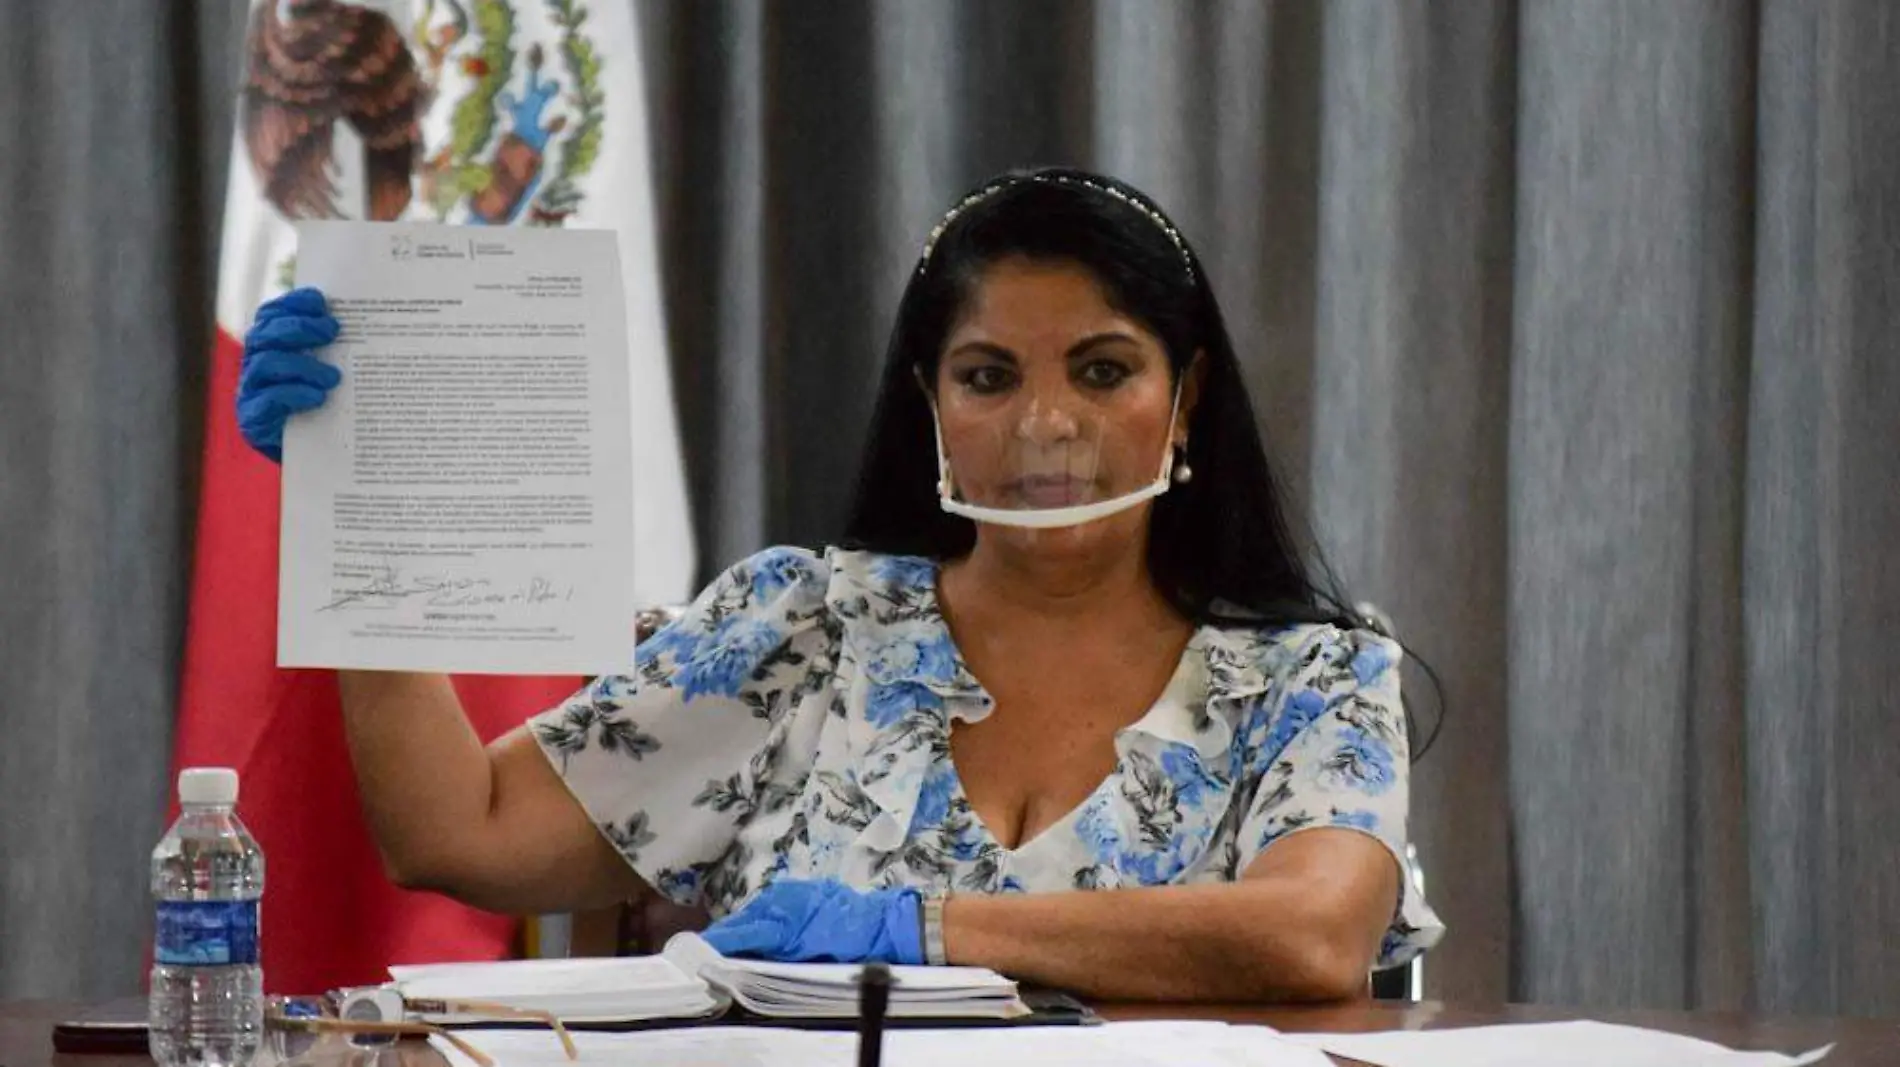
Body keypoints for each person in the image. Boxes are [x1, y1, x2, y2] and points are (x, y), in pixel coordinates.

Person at [236, 167, 1443, 1002]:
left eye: (1101, 369)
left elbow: (1310, 934)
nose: (1045, 423)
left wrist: (919, 930)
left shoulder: (1318, 673)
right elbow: (458, 831)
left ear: (1185, 398)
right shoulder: (799, 625)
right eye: (988, 376)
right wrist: (356, 503)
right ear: (931, 405)